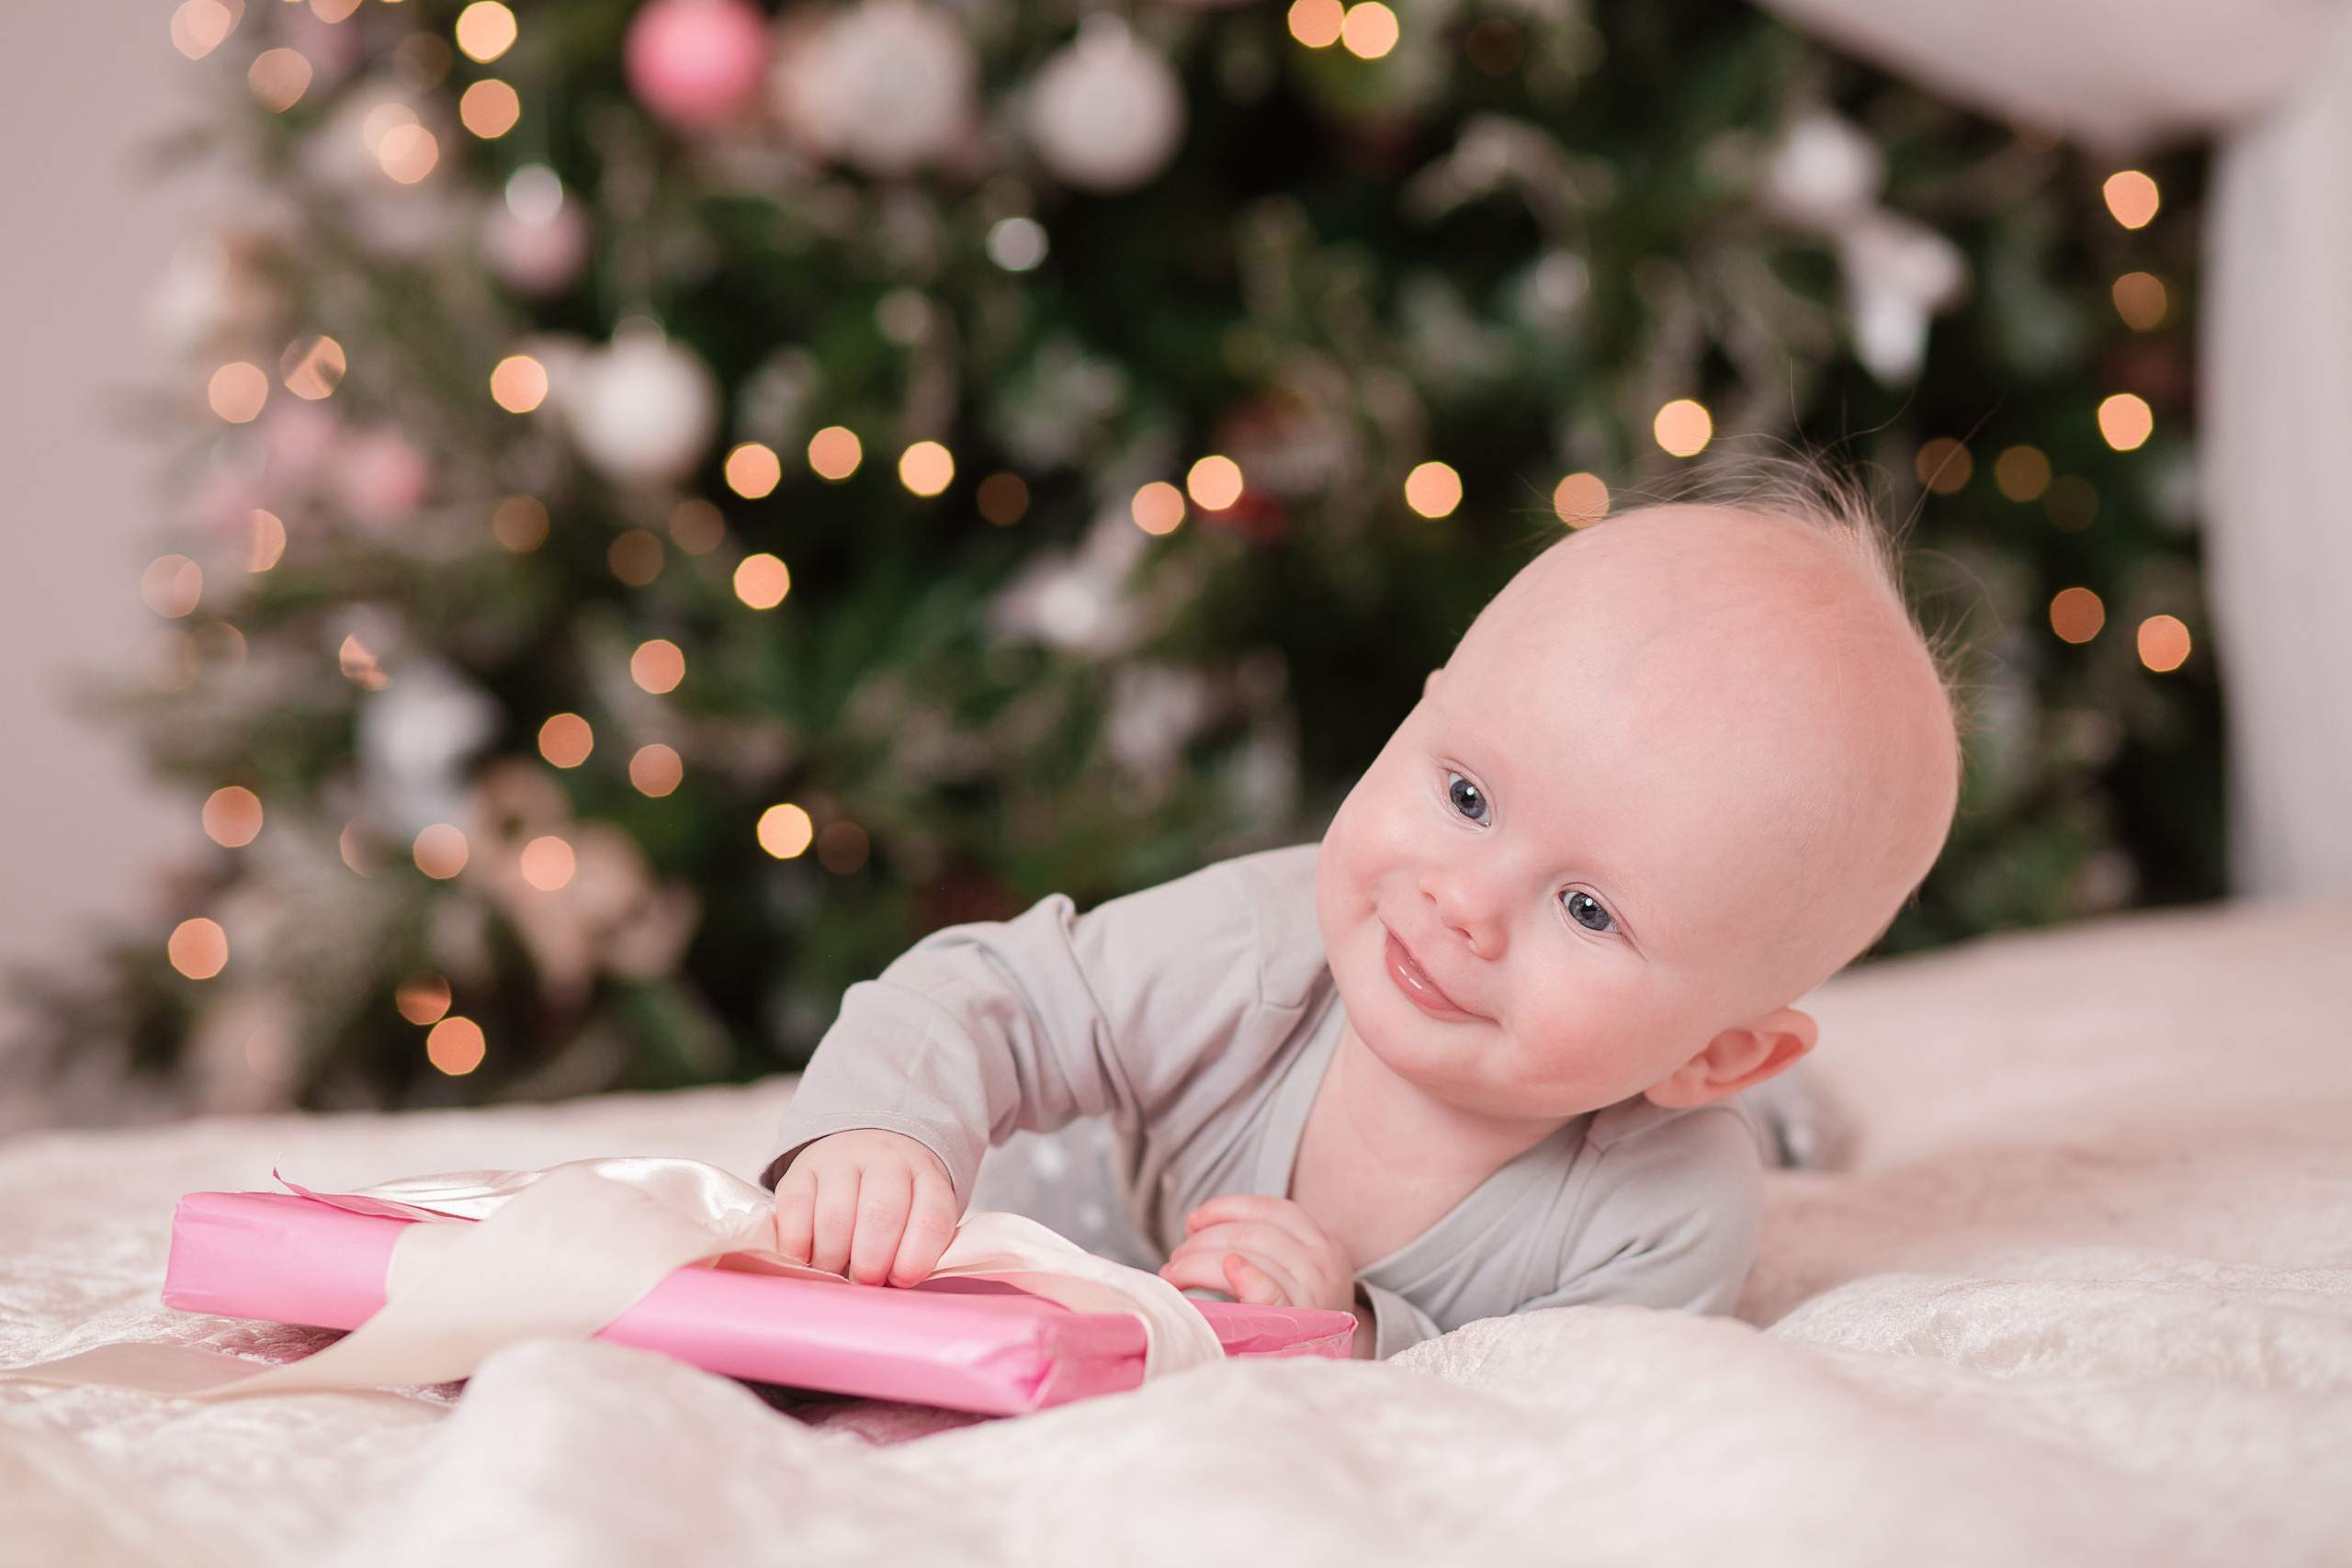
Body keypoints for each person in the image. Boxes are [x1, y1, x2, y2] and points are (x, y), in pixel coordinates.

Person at [760, 473, 1959, 1357]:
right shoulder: (1252, 944)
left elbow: (1569, 1418)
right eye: (1469, 794)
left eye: (1588, 909)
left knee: (1775, 1136)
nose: (1463, 902)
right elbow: (994, 995)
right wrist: (886, 1136)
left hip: (1650, 1119)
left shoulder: (1665, 1214)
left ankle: (1784, 1110)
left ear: (1717, 1052)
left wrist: (1354, 1326)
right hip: (1106, 1201)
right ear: (1420, 711)